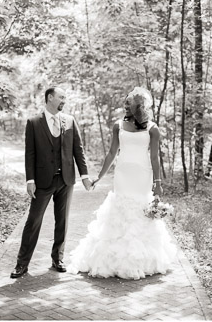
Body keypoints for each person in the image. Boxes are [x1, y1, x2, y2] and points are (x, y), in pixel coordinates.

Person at [68, 87, 177, 279]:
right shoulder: (118, 125)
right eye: (125, 103)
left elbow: (154, 158)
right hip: (123, 174)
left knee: (139, 211)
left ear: (139, 106)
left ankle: (141, 259)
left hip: (142, 176)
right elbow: (111, 153)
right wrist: (99, 177)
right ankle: (112, 259)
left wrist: (158, 182)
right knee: (120, 210)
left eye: (129, 103)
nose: (125, 106)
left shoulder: (153, 129)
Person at [12, 87, 92, 278]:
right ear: (50, 98)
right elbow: (29, 153)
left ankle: (57, 259)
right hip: (42, 181)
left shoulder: (70, 120)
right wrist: (30, 180)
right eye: (61, 97)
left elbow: (78, 151)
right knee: (33, 221)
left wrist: (85, 176)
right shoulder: (33, 123)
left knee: (62, 221)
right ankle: (22, 264)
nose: (64, 100)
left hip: (66, 180)